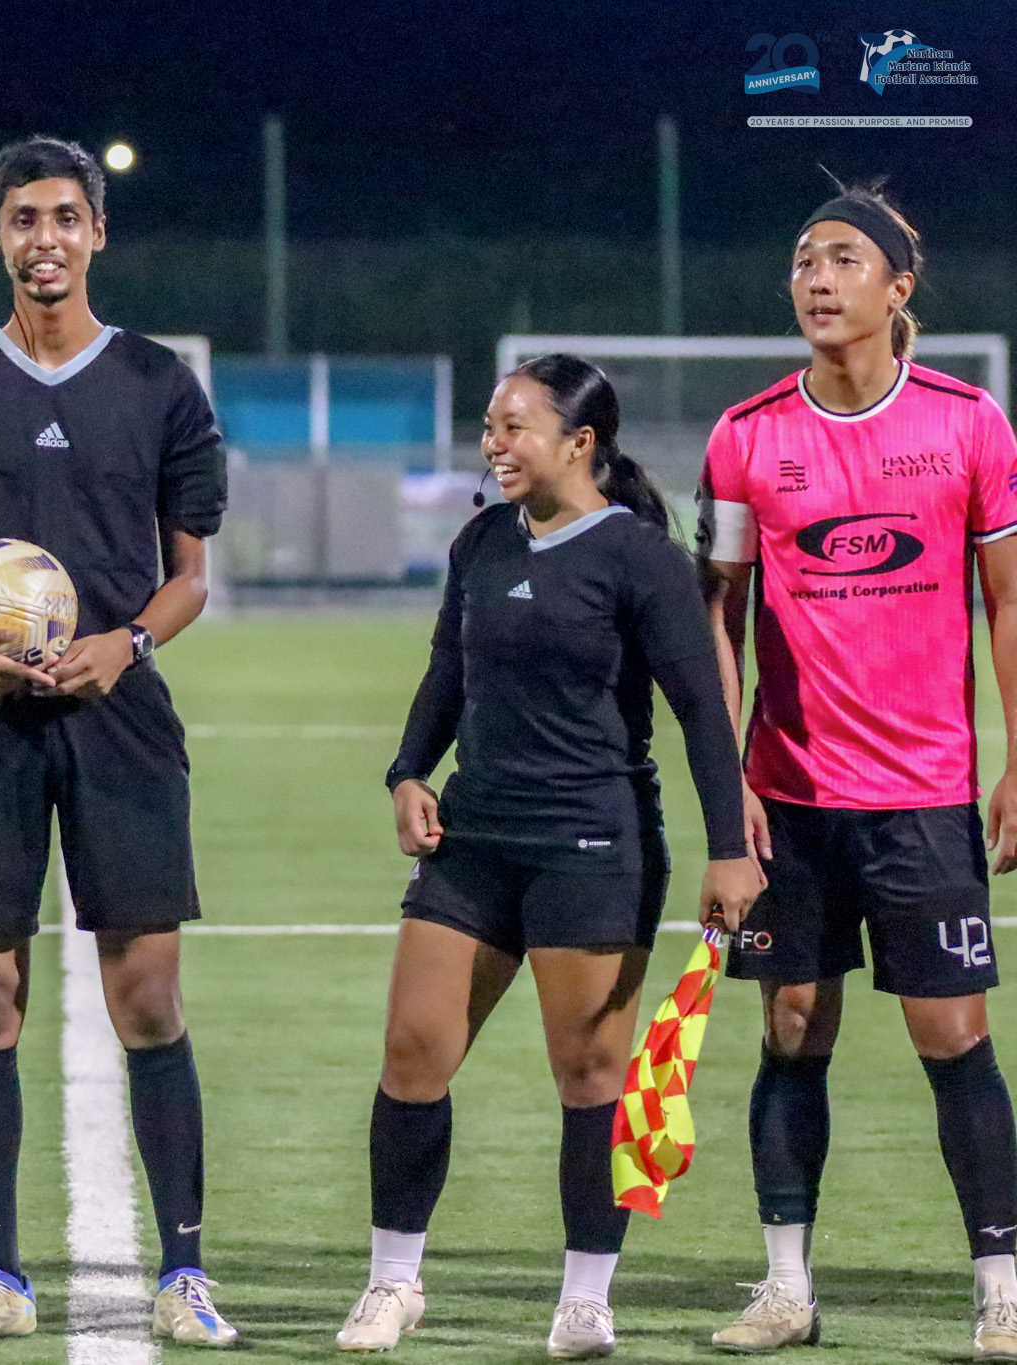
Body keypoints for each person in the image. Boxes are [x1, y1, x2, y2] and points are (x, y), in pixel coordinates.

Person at [0, 137, 236, 1349]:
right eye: (22, 218)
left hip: (118, 714)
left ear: (97, 236)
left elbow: (188, 578)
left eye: (65, 218)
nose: (44, 239)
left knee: (147, 996)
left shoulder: (158, 385)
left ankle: (182, 1274)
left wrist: (123, 643)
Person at [341, 355, 760, 1358]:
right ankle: (391, 1283)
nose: (492, 442)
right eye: (489, 424)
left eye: (514, 425)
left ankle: (584, 1298)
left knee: (588, 1075)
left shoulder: (639, 559)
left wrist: (727, 851)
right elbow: (448, 666)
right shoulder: (480, 539)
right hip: (475, 840)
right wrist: (408, 772)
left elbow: (701, 712)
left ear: (579, 443)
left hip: (590, 844)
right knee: (411, 1055)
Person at [696, 183, 1017, 1359]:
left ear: (896, 286)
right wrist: (719, 782)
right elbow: (711, 618)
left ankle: (1000, 1287)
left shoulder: (969, 423)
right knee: (789, 1026)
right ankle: (783, 1286)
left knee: (950, 1033)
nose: (815, 279)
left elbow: (1005, 599)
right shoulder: (744, 437)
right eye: (800, 260)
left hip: (924, 794)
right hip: (786, 793)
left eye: (840, 259)